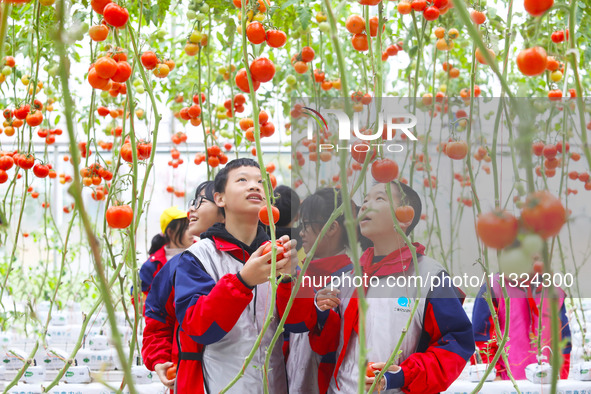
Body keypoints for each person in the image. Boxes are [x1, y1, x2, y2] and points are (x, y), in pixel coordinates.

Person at [310, 181, 475, 393]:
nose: (365, 206)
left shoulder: (430, 278)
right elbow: (329, 347)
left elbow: (456, 344)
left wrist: (401, 376)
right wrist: (322, 315)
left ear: (405, 216)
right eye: (365, 199)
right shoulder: (348, 278)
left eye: (379, 198)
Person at [173, 158, 298, 393]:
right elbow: (199, 328)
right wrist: (242, 282)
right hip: (224, 386)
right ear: (220, 198)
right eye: (243, 180)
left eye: (262, 182)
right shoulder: (198, 256)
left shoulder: (280, 253)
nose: (254, 186)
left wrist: (291, 280)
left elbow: (299, 324)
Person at [142, 181, 224, 391]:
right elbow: (157, 316)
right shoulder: (167, 265)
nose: (191, 210)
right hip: (190, 373)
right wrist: (159, 358)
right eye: (192, 202)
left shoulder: (261, 258)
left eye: (200, 202)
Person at [285, 188, 354, 394]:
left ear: (332, 227)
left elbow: (333, 346)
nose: (301, 232)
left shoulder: (349, 281)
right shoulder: (297, 273)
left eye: (306, 225)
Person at [471, 270, 571, 380]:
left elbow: (563, 342)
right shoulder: (493, 289)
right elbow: (481, 339)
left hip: (545, 383)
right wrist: (494, 377)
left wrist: (560, 379)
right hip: (505, 384)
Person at [139, 206, 194, 296]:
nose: (191, 231)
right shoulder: (153, 264)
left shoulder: (200, 253)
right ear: (170, 232)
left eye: (191, 226)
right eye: (185, 229)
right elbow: (139, 295)